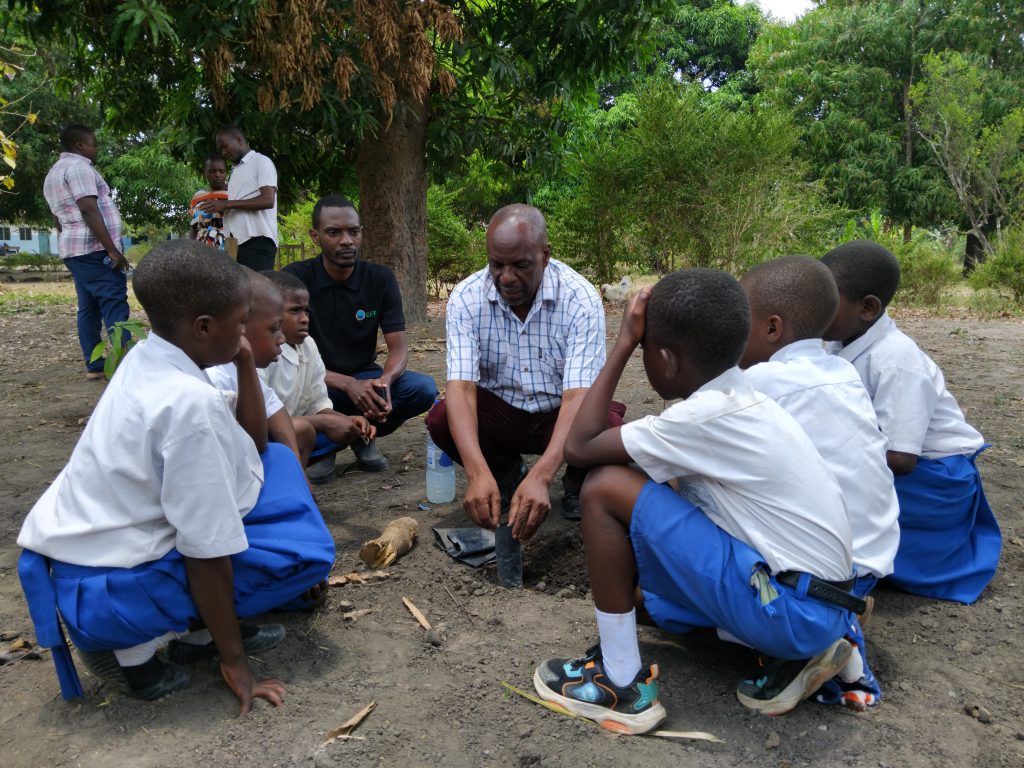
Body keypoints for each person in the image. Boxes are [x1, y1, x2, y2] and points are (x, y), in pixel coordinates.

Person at [532, 269, 861, 733]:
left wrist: (624, 342)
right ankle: (797, 656)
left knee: (605, 485)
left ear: (665, 359)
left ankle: (619, 683)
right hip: (826, 607)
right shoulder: (745, 397)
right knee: (647, 590)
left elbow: (580, 448)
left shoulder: (702, 417)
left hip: (792, 612)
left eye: (647, 351)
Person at [16, 240, 335, 710]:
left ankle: (194, 628)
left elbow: (250, 449)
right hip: (104, 588)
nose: (248, 334)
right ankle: (134, 649)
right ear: (204, 327)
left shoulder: (154, 357)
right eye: (242, 321)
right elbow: (206, 551)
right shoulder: (188, 403)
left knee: (280, 472)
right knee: (304, 553)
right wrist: (237, 662)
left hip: (89, 552)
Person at [738, 255, 900, 710]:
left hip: (828, 570)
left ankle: (820, 640)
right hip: (874, 557)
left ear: (772, 330)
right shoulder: (841, 369)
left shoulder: (764, 381)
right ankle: (838, 631)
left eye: (740, 323)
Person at [425, 204, 622, 542]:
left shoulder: (579, 298)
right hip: (503, 413)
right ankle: (505, 474)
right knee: (442, 418)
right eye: (496, 265)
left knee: (606, 428)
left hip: (561, 414)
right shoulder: (467, 298)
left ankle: (575, 481)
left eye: (520, 265)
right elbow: (462, 388)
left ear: (545, 255)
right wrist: (476, 473)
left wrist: (544, 477)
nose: (506, 277)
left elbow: (578, 396)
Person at [822, 240, 1001, 604]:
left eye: (826, 301)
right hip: (893, 463)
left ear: (868, 308)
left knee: (829, 490)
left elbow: (902, 459)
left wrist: (830, 453)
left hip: (935, 479)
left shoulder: (895, 361)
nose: (814, 310)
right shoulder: (836, 342)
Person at [283, 195, 437, 472]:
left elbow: (399, 349)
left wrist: (385, 382)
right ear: (315, 236)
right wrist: (346, 384)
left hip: (366, 376)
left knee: (423, 389)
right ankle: (328, 441)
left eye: (353, 232)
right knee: (294, 392)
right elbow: (285, 351)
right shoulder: (295, 280)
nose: (346, 240)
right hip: (315, 380)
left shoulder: (380, 279)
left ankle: (361, 436)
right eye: (334, 232)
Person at [259, 270, 376, 483]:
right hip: (262, 437)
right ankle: (290, 482)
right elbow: (261, 422)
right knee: (306, 430)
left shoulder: (308, 345)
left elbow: (318, 403)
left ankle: (293, 479)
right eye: (295, 311)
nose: (305, 319)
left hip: (295, 430)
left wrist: (345, 420)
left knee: (345, 429)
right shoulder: (259, 354)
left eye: (307, 311)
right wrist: (323, 422)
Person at [43, 123, 130, 380]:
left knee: (89, 307)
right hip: (94, 250)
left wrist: (67, 245)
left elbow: (58, 218)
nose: (96, 149)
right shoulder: (79, 168)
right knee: (114, 301)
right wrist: (112, 250)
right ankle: (124, 363)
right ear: (80, 145)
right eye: (94, 144)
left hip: (75, 251)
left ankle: (95, 365)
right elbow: (88, 209)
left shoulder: (54, 173)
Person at [205, 272, 304, 465]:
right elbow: (254, 443)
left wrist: (296, 462)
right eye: (274, 328)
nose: (282, 339)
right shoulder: (213, 380)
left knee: (299, 437)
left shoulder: (231, 364)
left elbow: (274, 408)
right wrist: (246, 358)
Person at [197, 125, 278, 271]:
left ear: (239, 140)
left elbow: (268, 200)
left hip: (257, 242)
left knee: (257, 292)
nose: (223, 152)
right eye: (220, 149)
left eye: (225, 146)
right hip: (237, 244)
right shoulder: (236, 170)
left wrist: (226, 204)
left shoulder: (261, 161)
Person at [189, 154, 229, 249]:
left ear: (226, 173)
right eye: (212, 171)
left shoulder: (234, 194)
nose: (217, 175)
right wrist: (190, 248)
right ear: (205, 173)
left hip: (227, 247)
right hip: (201, 249)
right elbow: (194, 228)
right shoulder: (198, 196)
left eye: (221, 171)